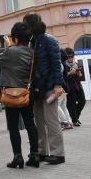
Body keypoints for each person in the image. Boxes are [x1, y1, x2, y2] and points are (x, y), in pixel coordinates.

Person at [0, 22, 39, 168]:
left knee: (13, 127)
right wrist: (10, 45)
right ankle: (35, 155)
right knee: (31, 125)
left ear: (16, 38)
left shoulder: (11, 51)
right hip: (26, 93)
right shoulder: (32, 52)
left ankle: (18, 157)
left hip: (11, 94)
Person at [23, 13, 65, 165]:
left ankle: (58, 154)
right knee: (39, 122)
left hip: (48, 86)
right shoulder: (31, 42)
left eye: (26, 25)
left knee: (51, 120)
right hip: (36, 88)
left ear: (32, 25)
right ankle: (42, 152)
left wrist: (58, 85)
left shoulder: (49, 40)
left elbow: (56, 65)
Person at [64, 47, 86, 127]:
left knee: (82, 101)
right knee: (71, 104)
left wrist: (79, 74)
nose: (70, 58)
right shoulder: (63, 65)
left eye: (71, 56)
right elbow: (62, 76)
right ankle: (74, 120)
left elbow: (81, 76)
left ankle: (75, 117)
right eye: (68, 57)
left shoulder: (76, 64)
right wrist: (70, 73)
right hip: (69, 86)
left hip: (78, 85)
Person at [58, 49, 73, 130]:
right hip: (65, 87)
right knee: (63, 106)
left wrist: (61, 86)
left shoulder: (59, 64)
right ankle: (69, 122)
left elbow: (60, 77)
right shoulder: (64, 64)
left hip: (61, 87)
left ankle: (64, 122)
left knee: (57, 106)